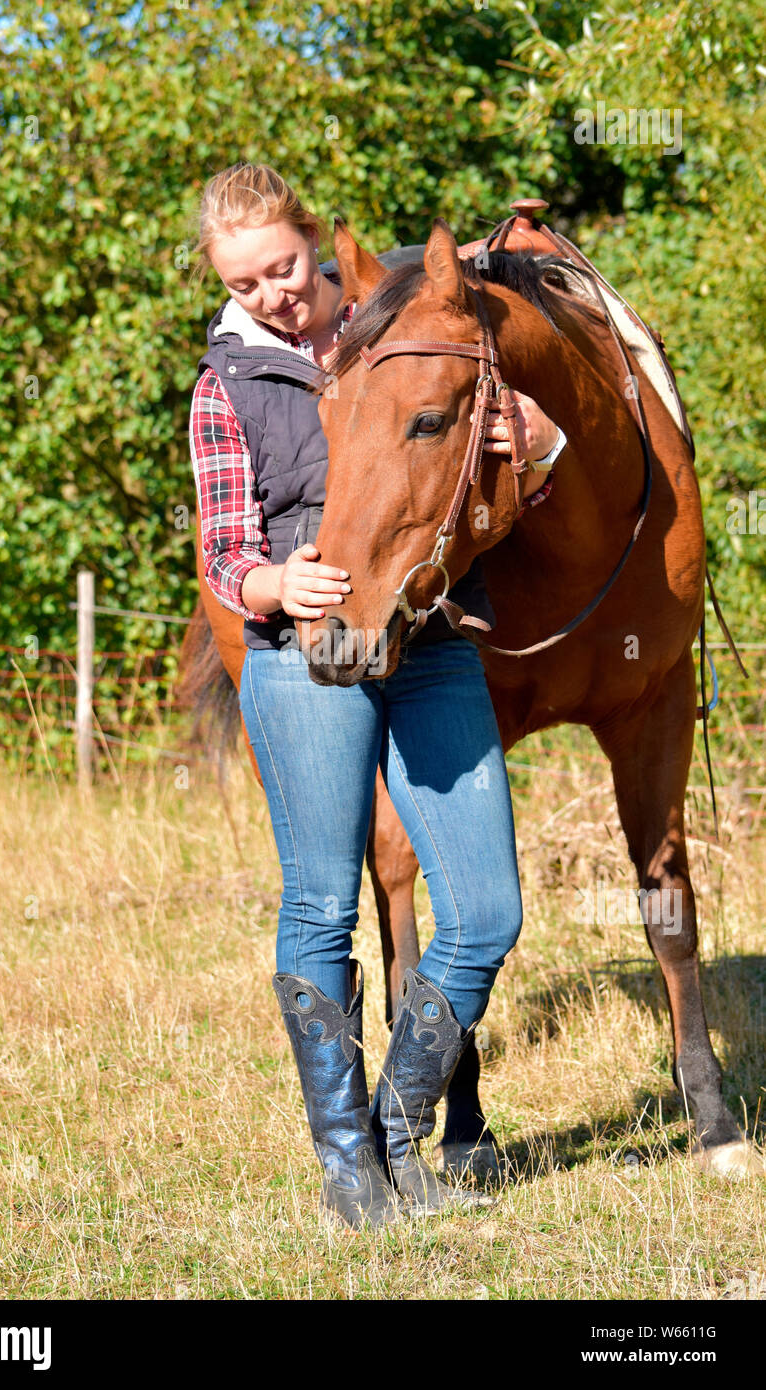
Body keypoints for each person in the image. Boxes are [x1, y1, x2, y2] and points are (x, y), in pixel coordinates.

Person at [189, 163, 565, 1229]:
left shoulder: (399, 327)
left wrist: (536, 447)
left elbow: (488, 480)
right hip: (300, 650)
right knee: (319, 904)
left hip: (433, 640)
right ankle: (351, 1172)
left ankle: (399, 1127)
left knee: (486, 909)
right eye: (245, 280)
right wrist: (272, 580)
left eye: (282, 267)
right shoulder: (226, 385)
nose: (272, 292)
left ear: (314, 246)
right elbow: (223, 551)